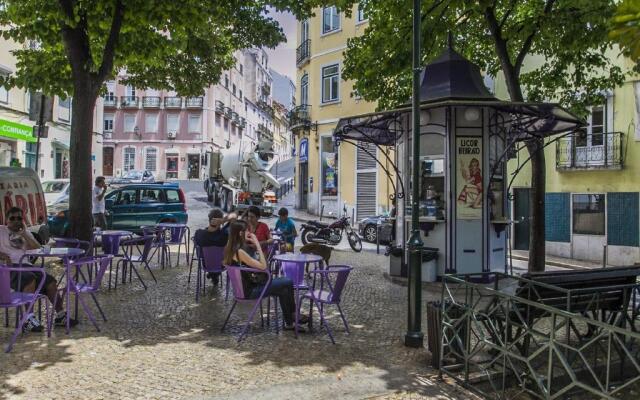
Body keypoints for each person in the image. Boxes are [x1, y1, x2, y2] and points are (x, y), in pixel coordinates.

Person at [0, 207, 78, 332]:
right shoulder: (1, 230)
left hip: (27, 266)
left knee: (51, 281)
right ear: (7, 220)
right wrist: (2, 255)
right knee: (29, 279)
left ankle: (60, 316)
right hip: (8, 268)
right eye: (12, 218)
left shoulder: (25, 232)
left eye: (19, 218)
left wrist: (24, 234)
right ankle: (28, 319)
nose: (15, 221)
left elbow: (37, 249)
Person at [223, 220, 307, 331]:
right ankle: (293, 316)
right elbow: (263, 266)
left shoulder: (229, 249)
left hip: (243, 290)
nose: (250, 232)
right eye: (247, 230)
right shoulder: (240, 252)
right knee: (288, 281)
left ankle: (290, 322)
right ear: (240, 233)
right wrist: (257, 243)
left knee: (284, 290)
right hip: (250, 291)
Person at [194, 208, 233, 284]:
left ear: (209, 219)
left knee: (208, 255)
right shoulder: (225, 235)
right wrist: (224, 220)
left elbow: (198, 252)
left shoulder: (199, 233)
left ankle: (213, 274)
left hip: (205, 264)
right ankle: (214, 275)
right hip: (221, 265)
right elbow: (235, 216)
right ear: (220, 222)